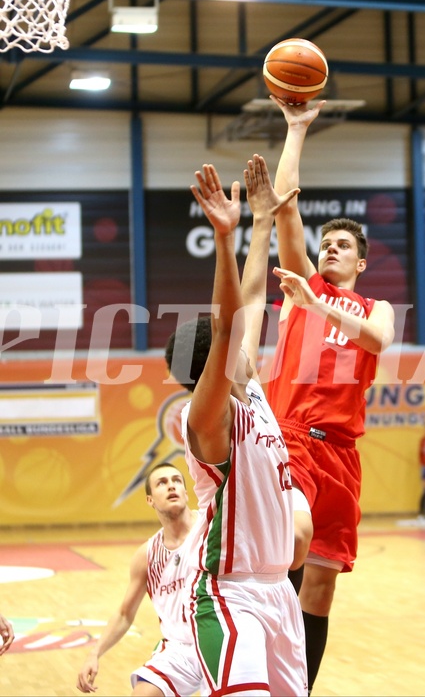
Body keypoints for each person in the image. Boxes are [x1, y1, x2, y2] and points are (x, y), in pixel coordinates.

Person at [266, 95, 396, 694]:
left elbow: (378, 340)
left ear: (363, 263)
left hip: (342, 452)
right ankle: (260, 666)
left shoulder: (375, 307)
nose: (330, 249)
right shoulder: (303, 288)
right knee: (287, 551)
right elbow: (285, 204)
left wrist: (322, 305)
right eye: (327, 244)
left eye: (343, 246)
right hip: (291, 437)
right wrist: (296, 128)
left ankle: (299, 688)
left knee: (321, 584)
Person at [165, 154, 308, 696]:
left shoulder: (252, 393)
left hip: (277, 592)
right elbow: (230, 320)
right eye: (229, 344)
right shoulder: (206, 417)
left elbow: (250, 298)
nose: (250, 335)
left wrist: (263, 218)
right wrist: (225, 238)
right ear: (214, 366)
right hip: (231, 595)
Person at [77, 462, 202, 696]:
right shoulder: (147, 555)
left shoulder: (210, 528)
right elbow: (125, 614)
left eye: (176, 481)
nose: (171, 486)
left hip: (219, 640)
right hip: (179, 649)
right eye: (162, 483)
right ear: (150, 500)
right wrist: (94, 653)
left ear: (186, 492)